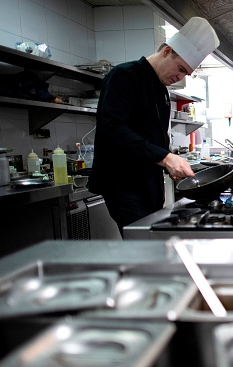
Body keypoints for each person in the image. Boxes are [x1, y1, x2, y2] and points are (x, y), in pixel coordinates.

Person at [88, 17, 220, 236]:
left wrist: (169, 163)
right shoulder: (124, 76)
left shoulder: (161, 90)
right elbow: (112, 129)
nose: (179, 76)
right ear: (167, 51)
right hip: (124, 184)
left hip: (149, 184)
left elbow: (152, 136)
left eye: (185, 73)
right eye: (180, 68)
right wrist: (166, 158)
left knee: (151, 243)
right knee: (143, 245)